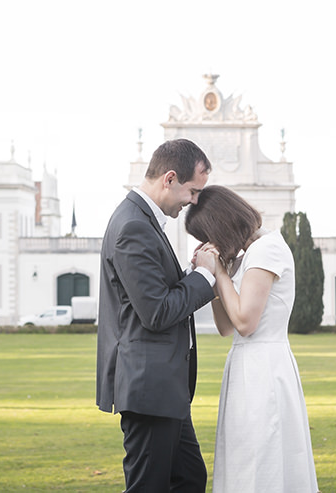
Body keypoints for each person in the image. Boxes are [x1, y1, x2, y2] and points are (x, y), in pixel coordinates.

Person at [96, 138, 217, 492]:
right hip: (149, 387)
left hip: (163, 388)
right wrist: (204, 277)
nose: (194, 201)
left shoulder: (143, 220)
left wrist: (191, 274)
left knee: (189, 478)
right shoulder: (134, 226)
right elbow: (157, 312)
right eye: (193, 191)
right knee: (149, 486)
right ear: (169, 179)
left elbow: (155, 295)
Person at [183, 185, 318, 492]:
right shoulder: (248, 255)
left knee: (263, 456)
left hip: (263, 368)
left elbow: (245, 322)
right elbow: (225, 327)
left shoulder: (265, 249)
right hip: (247, 365)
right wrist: (217, 276)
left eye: (206, 235)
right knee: (244, 457)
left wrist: (220, 274)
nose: (206, 243)